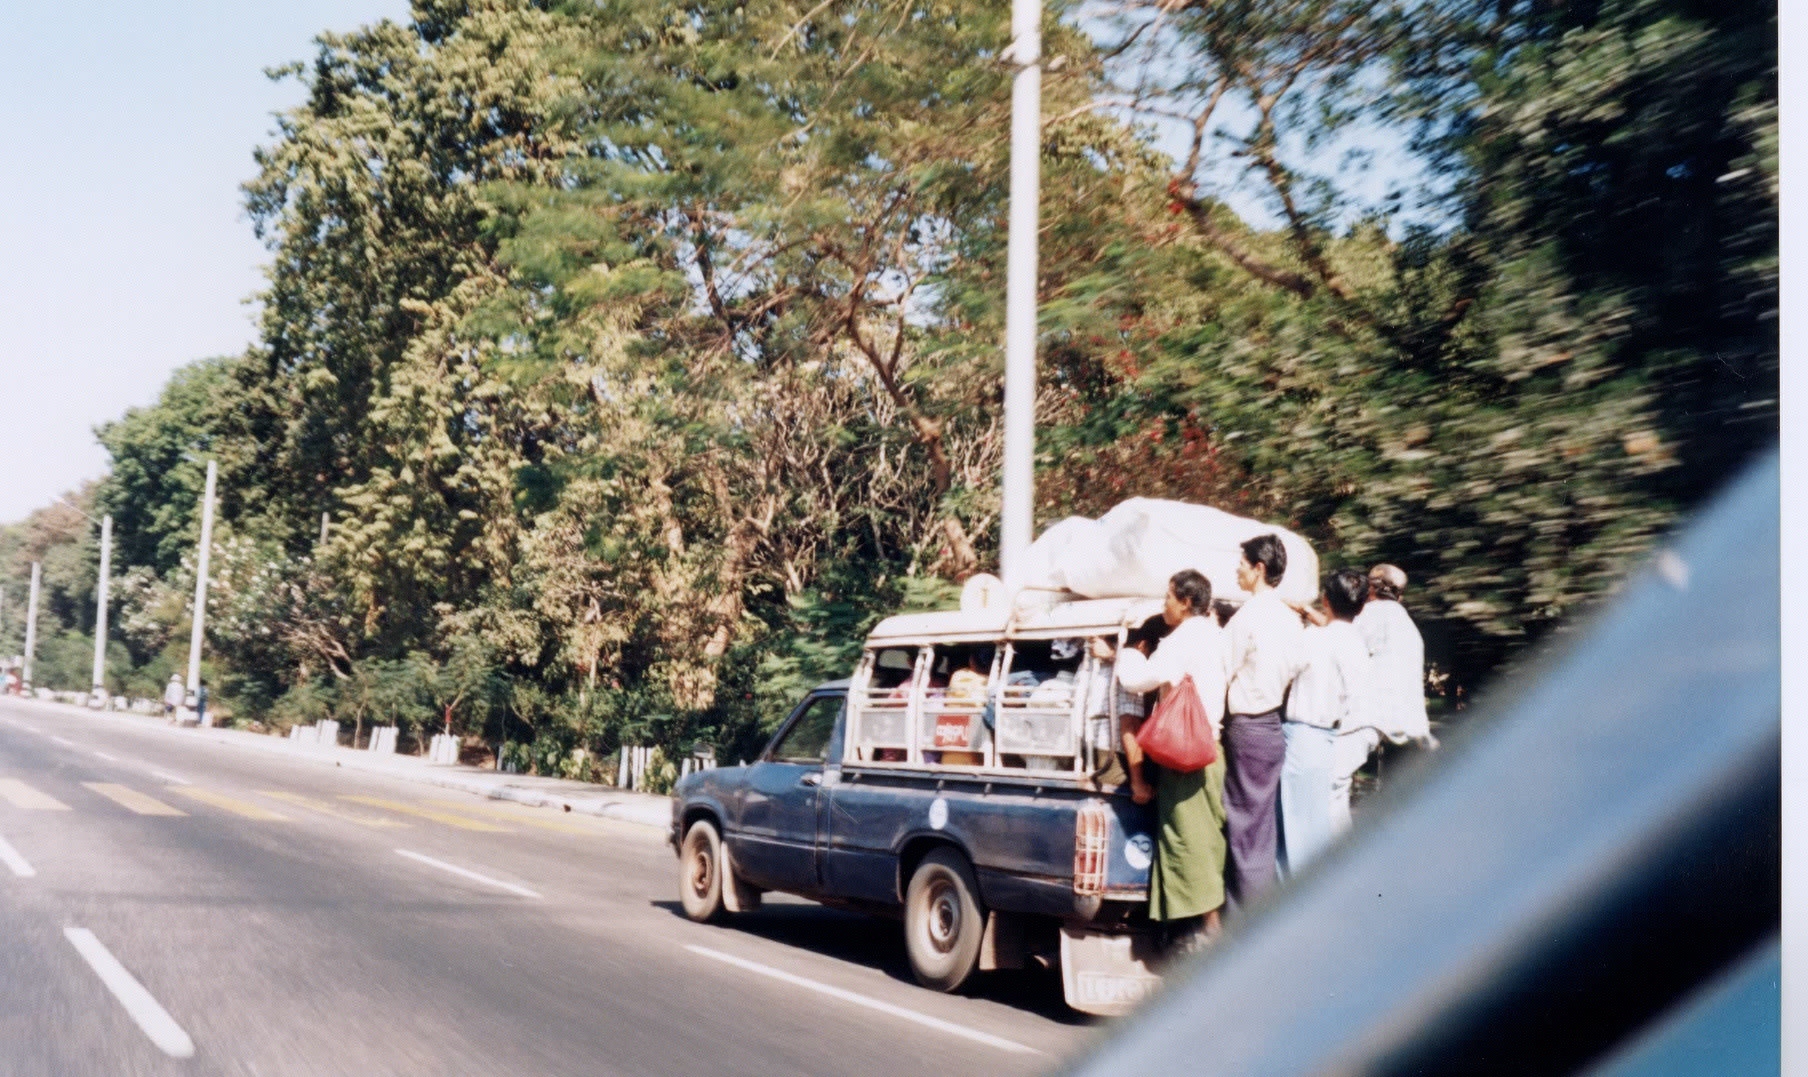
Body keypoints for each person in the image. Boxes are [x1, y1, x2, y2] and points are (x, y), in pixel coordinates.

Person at [1091, 569, 1230, 951]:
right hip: (1213, 750)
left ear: (1185, 602)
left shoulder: (1180, 641)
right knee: (1204, 837)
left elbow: (1140, 681)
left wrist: (1117, 655)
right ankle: (1195, 928)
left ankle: (1209, 930)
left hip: (1185, 756)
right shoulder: (1219, 637)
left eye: (1168, 597)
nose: (1164, 605)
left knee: (1188, 840)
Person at [1222, 534, 1304, 907]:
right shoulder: (1291, 620)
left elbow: (1221, 668)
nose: (1237, 569)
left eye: (1242, 562)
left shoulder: (1247, 618)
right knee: (1261, 829)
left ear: (1258, 569)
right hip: (1272, 728)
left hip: (1247, 728)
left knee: (1240, 827)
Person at [1279, 569, 1374, 875]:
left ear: (1326, 600)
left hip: (1301, 737)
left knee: (1293, 833)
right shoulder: (1356, 645)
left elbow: (1285, 669)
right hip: (1330, 738)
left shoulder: (1312, 639)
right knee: (1314, 831)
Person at [1335, 564, 1436, 830]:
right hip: (1410, 723)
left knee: (1332, 783)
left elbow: (1340, 637)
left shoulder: (1371, 613)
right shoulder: (1407, 624)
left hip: (1372, 715)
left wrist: (1307, 613)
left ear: (1372, 587)